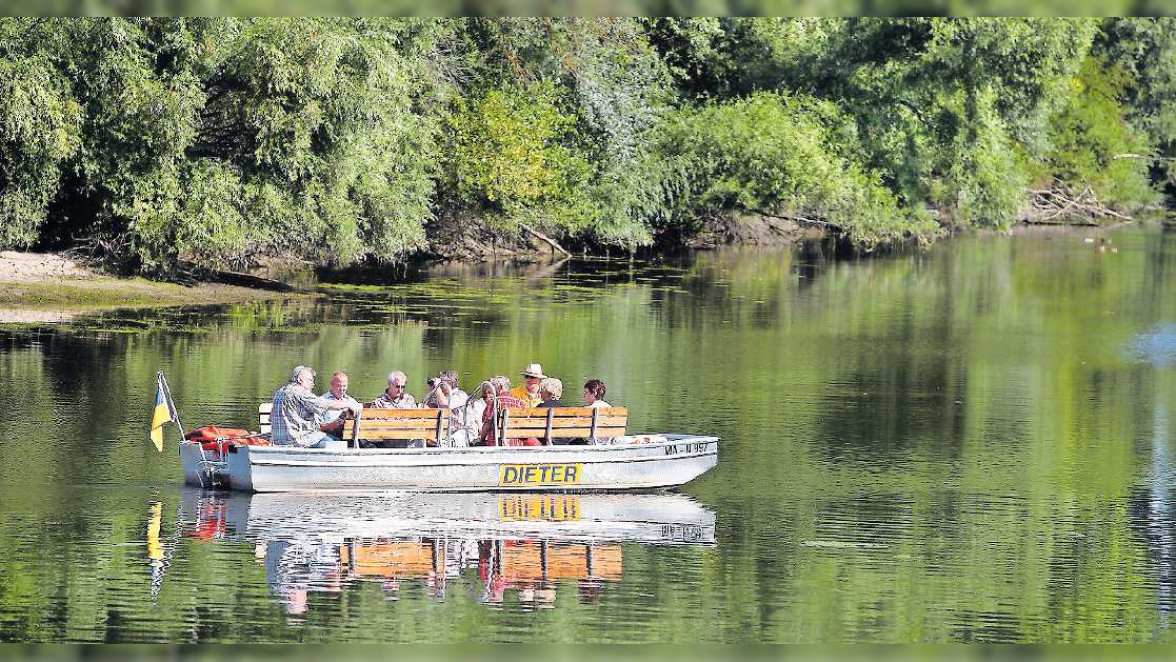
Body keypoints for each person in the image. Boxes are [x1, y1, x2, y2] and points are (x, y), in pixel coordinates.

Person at [271, 365, 360, 450]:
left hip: (278, 441)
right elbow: (323, 404)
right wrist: (348, 405)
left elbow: (270, 418)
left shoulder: (279, 392)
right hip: (299, 441)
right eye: (310, 380)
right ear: (300, 380)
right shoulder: (300, 392)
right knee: (336, 442)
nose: (313, 384)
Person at [426, 370, 484, 447]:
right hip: (445, 432)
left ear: (452, 383)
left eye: (442, 383)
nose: (440, 385)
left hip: (464, 432)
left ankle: (439, 445)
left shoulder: (460, 395)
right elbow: (425, 407)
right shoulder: (440, 396)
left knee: (446, 442)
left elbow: (445, 405)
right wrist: (431, 391)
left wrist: (437, 388)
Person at [477, 376, 528, 446]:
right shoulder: (519, 402)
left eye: (494, 388)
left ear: (500, 388)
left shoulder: (495, 402)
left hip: (497, 444)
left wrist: (481, 438)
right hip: (516, 444)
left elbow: (487, 425)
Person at [317, 371, 361, 440]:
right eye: (339, 386)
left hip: (351, 435)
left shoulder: (351, 401)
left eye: (344, 386)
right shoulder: (322, 401)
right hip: (330, 434)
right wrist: (331, 425)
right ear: (331, 385)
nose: (341, 389)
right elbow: (314, 427)